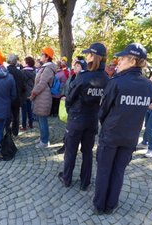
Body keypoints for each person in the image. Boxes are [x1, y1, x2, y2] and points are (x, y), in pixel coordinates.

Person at [93, 43, 152, 215]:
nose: (118, 61)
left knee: (105, 170)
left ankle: (100, 205)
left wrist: (106, 126)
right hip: (131, 136)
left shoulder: (116, 82)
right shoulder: (149, 85)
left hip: (111, 135)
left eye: (122, 58)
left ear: (133, 60)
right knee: (119, 171)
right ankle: (111, 205)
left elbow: (103, 111)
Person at [58, 42, 109, 191]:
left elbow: (70, 98)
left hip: (77, 119)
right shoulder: (106, 78)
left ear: (93, 57)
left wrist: (69, 110)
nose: (86, 57)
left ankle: (67, 178)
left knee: (71, 151)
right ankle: (85, 182)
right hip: (92, 119)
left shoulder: (83, 77)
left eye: (88, 54)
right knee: (87, 152)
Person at [56, 58, 87, 155]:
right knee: (68, 129)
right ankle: (65, 145)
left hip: (78, 109)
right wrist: (64, 96)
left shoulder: (84, 79)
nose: (75, 67)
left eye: (78, 66)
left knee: (72, 131)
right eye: (75, 65)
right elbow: (66, 88)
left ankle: (71, 146)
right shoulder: (72, 77)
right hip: (70, 107)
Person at [30, 47, 56, 149]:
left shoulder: (48, 69)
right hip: (41, 97)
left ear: (47, 57)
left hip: (43, 97)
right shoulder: (45, 67)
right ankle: (42, 137)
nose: (40, 56)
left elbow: (41, 84)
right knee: (40, 119)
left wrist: (33, 94)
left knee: (43, 119)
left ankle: (45, 141)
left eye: (42, 54)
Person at [20, 56, 36, 131]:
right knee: (30, 109)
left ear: (27, 63)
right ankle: (31, 124)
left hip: (24, 93)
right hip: (31, 92)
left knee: (24, 110)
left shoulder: (23, 72)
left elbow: (22, 83)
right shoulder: (34, 71)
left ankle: (23, 125)